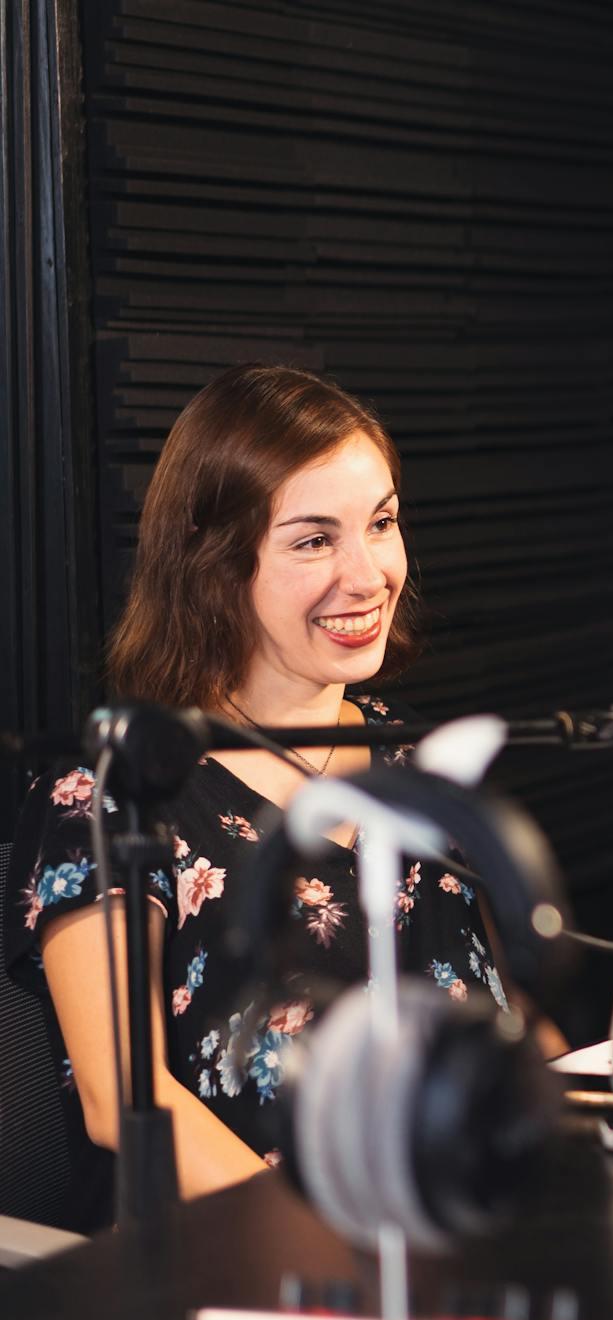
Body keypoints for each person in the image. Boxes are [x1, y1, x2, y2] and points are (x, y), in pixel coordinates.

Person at [8, 364, 563, 1217]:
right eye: (313, 540)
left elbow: (502, 1012)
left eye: (380, 523)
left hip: (459, 1230)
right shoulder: (112, 790)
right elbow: (124, 1098)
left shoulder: (407, 752)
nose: (369, 573)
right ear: (216, 567)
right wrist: (323, 1245)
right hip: (257, 1263)